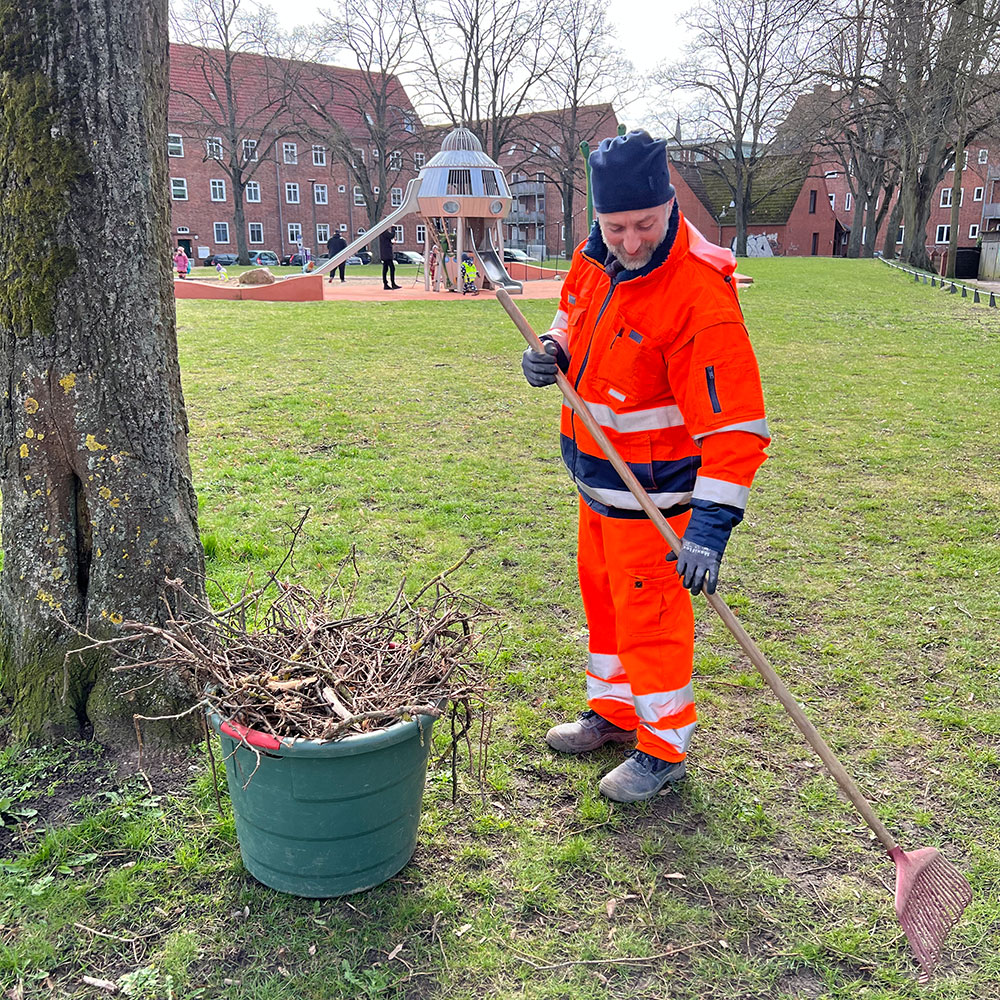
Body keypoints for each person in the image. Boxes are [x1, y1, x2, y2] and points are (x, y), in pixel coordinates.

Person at [520, 130, 769, 803]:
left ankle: (664, 750)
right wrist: (552, 349)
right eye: (616, 225)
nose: (630, 242)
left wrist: (710, 530)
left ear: (670, 209)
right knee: (604, 611)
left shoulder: (698, 297)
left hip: (655, 505)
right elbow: (573, 311)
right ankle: (614, 714)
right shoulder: (592, 256)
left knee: (651, 623)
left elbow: (736, 425)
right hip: (597, 488)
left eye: (645, 225)